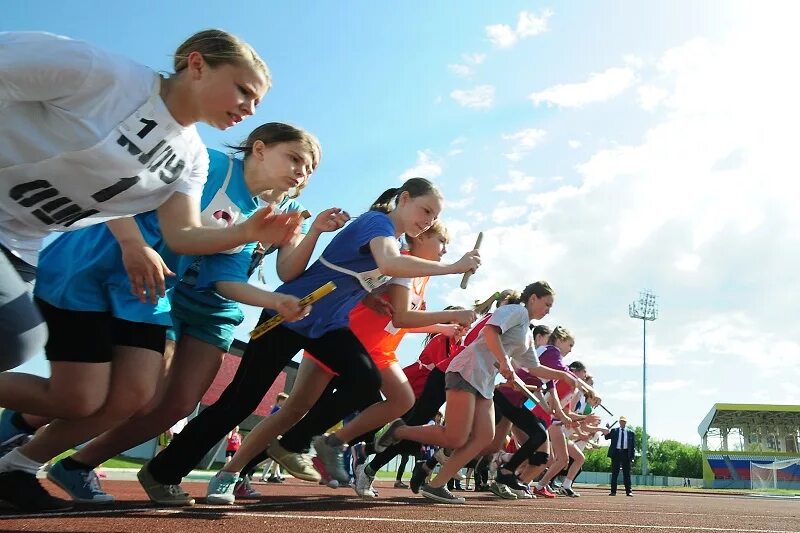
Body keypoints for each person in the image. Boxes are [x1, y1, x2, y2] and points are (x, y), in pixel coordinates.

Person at [0, 122, 315, 512]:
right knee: (85, 393)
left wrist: (275, 299)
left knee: (131, 396)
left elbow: (225, 276)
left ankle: (20, 463)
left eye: (310, 168)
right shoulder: (209, 164)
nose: (303, 171)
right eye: (296, 158)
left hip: (151, 290)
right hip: (100, 265)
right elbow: (118, 187)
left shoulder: (256, 216)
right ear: (260, 148)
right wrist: (133, 242)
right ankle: (20, 436)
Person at [140, 177, 480, 506]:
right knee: (239, 403)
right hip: (288, 313)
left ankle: (296, 443)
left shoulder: (396, 241)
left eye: (435, 217)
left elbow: (372, 276)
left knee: (366, 381)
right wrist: (454, 267)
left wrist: (373, 297)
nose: (428, 221)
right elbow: (389, 262)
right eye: (425, 211)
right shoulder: (377, 223)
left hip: (326, 325)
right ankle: (162, 471)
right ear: (403, 199)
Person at [0, 29, 272, 373]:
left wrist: (247, 231)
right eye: (243, 90)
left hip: (19, 243)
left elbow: (183, 234)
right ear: (197, 65)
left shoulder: (192, 159)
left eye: (257, 102)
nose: (249, 108)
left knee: (15, 341)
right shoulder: (102, 74)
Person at [375, 282, 579, 504]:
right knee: (455, 436)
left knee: (484, 437)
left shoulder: (527, 332)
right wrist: (504, 362)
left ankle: (436, 485)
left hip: (484, 382)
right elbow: (490, 332)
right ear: (533, 298)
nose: (548, 310)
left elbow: (534, 367)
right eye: (547, 304)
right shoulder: (515, 311)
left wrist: (564, 376)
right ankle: (400, 431)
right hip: (467, 370)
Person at [605, 415, 635, 496]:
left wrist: (632, 457)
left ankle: (629, 491)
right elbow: (607, 437)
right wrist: (607, 429)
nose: (622, 423)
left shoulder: (631, 433)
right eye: (621, 421)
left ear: (626, 422)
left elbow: (632, 446)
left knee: (627, 474)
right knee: (615, 473)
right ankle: (613, 491)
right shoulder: (614, 430)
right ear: (619, 422)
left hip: (626, 454)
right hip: (616, 453)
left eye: (624, 421)